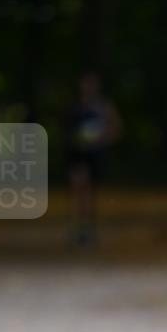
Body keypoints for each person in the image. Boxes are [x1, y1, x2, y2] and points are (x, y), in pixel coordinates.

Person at [64, 71, 123, 246]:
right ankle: (78, 227)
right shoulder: (75, 106)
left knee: (89, 192)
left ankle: (88, 228)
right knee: (78, 189)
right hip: (77, 155)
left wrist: (102, 138)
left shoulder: (104, 106)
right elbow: (67, 131)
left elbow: (116, 129)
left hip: (94, 155)